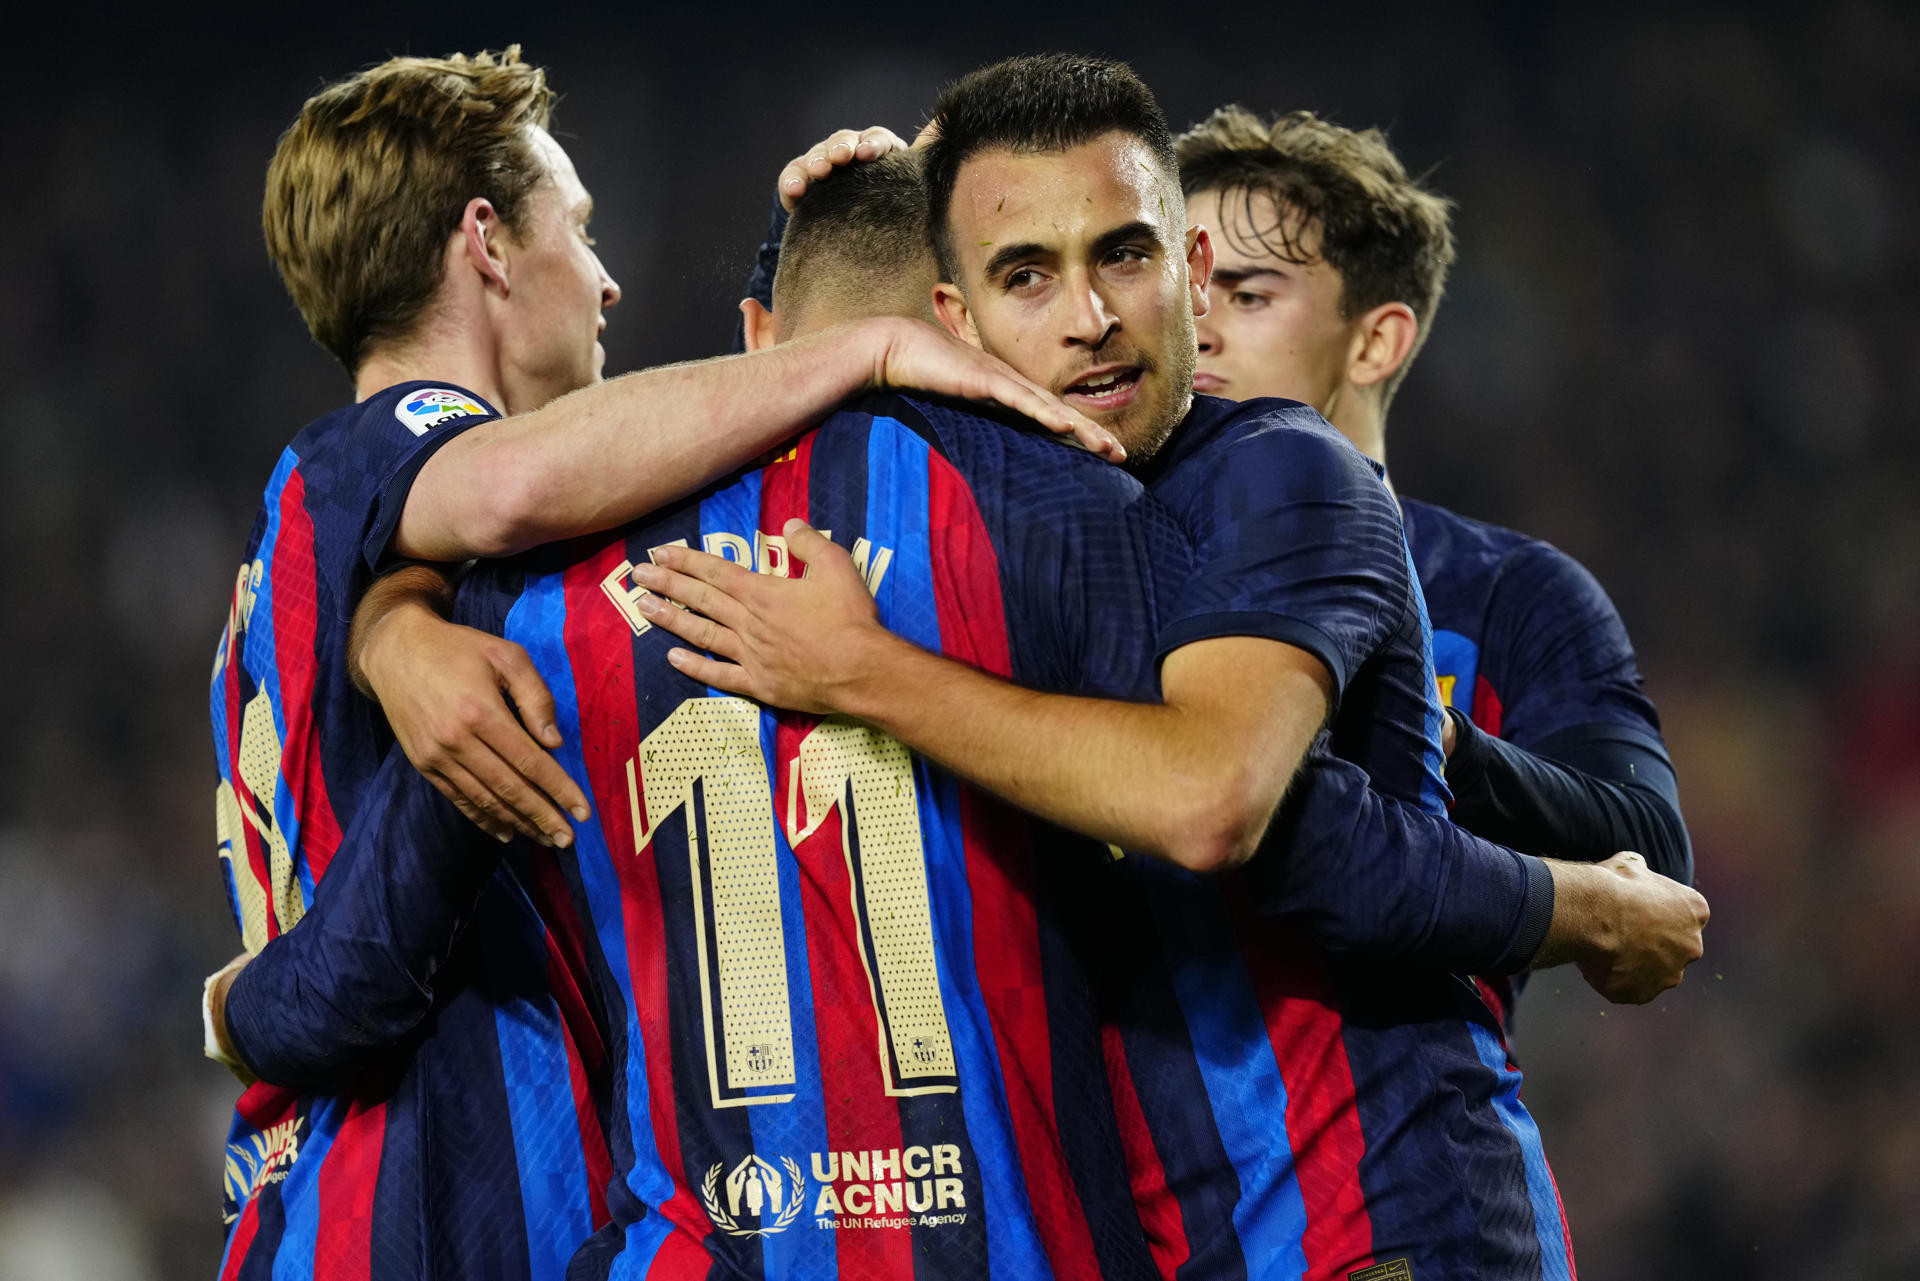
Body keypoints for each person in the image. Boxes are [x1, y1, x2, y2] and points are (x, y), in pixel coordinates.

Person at [629, 55, 1708, 1279]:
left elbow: (1219, 809)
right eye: (1027, 275)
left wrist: (865, 672)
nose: (1089, 317)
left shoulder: (1280, 476)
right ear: (951, 321)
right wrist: (824, 228)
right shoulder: (999, 520)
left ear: (1186, 275)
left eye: (1125, 256)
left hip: (1370, 1228)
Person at [208, 48, 1112, 1280]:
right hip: (421, 1201)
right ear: (485, 244)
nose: (608, 282)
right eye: (576, 229)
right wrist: (861, 350)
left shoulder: (321, 553)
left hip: (344, 1192)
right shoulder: (399, 457)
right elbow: (518, 484)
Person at [1176, 105, 1692, 1028]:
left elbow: (1651, 860)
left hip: (1413, 1147)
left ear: (1376, 341)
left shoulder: (1507, 592)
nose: (1198, 330)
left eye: (1248, 296)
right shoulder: (1114, 555)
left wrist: (1428, 734)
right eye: (1186, 293)